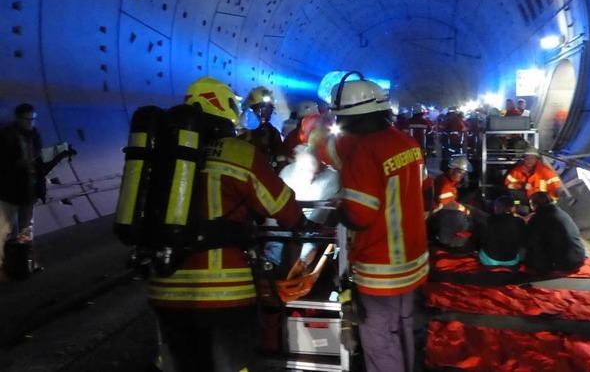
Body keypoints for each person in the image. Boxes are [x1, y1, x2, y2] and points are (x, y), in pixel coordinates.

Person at [148, 77, 306, 372]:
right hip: (223, 291)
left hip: (165, 284)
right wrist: (301, 221)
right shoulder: (239, 153)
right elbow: (283, 208)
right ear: (225, 110)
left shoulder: (161, 153)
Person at [321, 72, 428, 372]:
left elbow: (359, 214)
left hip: (381, 269)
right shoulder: (406, 142)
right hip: (414, 261)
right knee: (406, 330)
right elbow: (422, 189)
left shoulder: (363, 152)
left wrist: (338, 208)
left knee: (380, 340)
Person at [0, 103, 75, 280]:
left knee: (26, 229)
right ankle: (2, 267)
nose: (30, 123)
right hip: (8, 190)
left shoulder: (34, 135)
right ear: (18, 118)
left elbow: (38, 161)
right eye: (27, 119)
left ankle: (26, 261)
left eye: (33, 119)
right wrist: (17, 164)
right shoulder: (7, 135)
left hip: (28, 191)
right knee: (3, 229)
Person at [525, 192, 585, 274]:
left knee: (528, 248)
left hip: (564, 264)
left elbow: (530, 240)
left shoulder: (538, 219)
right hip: (579, 256)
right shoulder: (561, 212)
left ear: (534, 204)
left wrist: (527, 224)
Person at [239, 86, 283, 167]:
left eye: (269, 110)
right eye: (262, 109)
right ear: (251, 108)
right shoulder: (241, 127)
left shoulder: (272, 132)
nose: (265, 113)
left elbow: (279, 154)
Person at [478, 196, 527, 267]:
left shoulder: (490, 220)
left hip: (491, 259)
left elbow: (482, 239)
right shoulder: (520, 222)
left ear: (497, 207)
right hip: (512, 260)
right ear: (513, 208)